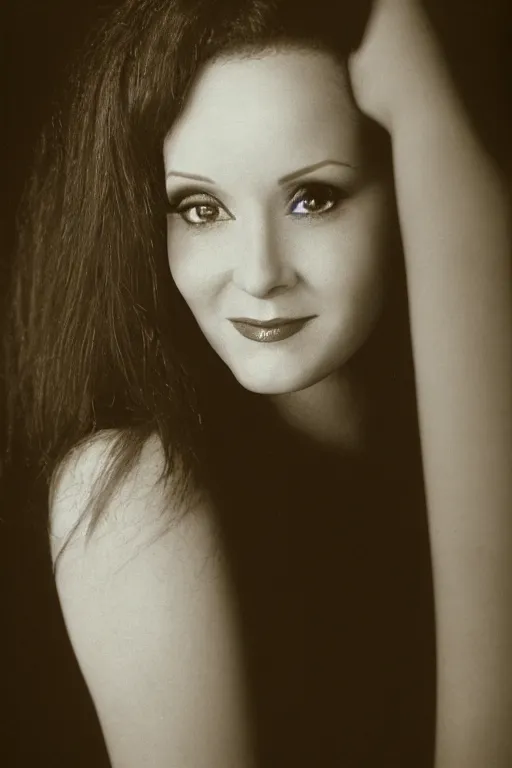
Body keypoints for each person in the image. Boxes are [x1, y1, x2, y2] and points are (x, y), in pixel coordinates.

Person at [5, 0, 511, 765]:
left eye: (314, 198)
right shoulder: (129, 490)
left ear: (407, 194)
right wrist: (424, 108)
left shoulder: (432, 455)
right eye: (201, 209)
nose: (260, 274)